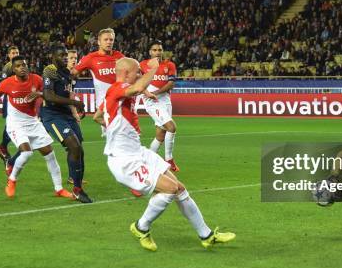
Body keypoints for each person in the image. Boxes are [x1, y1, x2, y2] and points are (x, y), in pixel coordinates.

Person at [93, 57, 236, 251]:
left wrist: (112, 129)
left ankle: (206, 235)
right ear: (126, 74)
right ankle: (141, 227)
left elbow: (98, 116)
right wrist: (154, 69)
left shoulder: (118, 94)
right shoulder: (117, 88)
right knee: (170, 188)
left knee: (180, 189)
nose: (140, 75)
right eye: (137, 72)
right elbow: (135, 88)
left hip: (138, 152)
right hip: (124, 160)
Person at [0, 56, 73, 199]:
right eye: (18, 66)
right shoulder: (7, 83)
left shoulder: (36, 79)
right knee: (26, 153)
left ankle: (59, 189)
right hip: (15, 124)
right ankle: (12, 180)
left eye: (24, 64)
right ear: (13, 69)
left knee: (50, 155)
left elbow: (49, 94)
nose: (22, 67)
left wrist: (38, 93)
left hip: (33, 122)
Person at [41, 45, 92, 203]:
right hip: (52, 115)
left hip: (66, 114)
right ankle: (77, 189)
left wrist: (75, 109)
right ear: (53, 57)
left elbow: (69, 92)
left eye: (66, 55)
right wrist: (74, 103)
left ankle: (75, 183)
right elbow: (49, 96)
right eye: (61, 55)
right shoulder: (50, 70)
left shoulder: (68, 74)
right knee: (74, 146)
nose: (64, 57)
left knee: (79, 149)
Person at [71, 28, 124, 137]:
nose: (109, 42)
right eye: (106, 39)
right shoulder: (90, 58)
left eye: (111, 39)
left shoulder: (119, 56)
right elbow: (72, 73)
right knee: (116, 136)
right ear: (99, 42)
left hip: (120, 102)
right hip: (103, 105)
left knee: (118, 137)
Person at [140, 40, 180, 172]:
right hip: (151, 102)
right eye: (154, 50)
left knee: (160, 135)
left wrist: (155, 92)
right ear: (150, 52)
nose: (157, 52)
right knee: (172, 126)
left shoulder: (169, 65)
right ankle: (169, 158)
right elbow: (136, 81)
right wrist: (147, 93)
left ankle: (146, 162)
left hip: (165, 101)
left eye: (159, 50)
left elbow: (171, 84)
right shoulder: (143, 65)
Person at [0, 46, 20, 165]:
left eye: (17, 52)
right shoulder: (8, 67)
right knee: (11, 123)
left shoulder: (20, 65)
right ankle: (3, 146)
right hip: (10, 98)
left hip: (19, 98)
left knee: (14, 123)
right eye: (13, 53)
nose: (15, 54)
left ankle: (3, 146)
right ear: (9, 55)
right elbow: (4, 84)